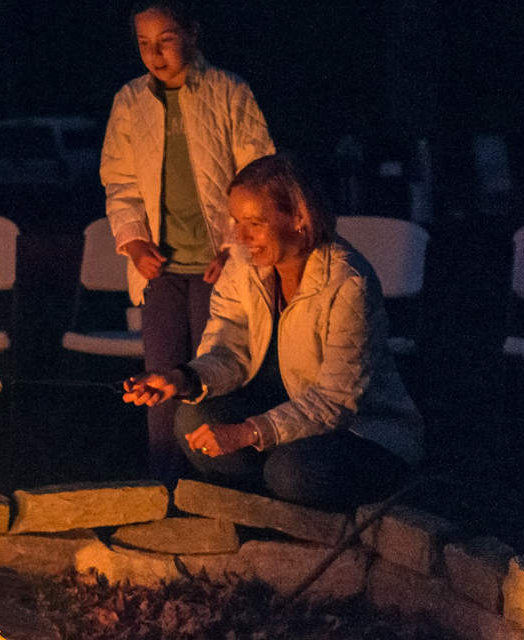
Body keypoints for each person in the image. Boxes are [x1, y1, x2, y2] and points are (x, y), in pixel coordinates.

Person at [122, 155, 422, 511]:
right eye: (235, 221)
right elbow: (228, 351)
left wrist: (248, 433)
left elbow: (336, 400)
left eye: (255, 222)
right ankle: (264, 508)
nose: (240, 236)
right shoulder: (243, 268)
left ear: (299, 217)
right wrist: (182, 378)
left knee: (292, 472)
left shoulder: (346, 281)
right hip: (279, 418)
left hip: (360, 430)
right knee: (192, 419)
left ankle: (284, 499)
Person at [100, 0, 275, 482]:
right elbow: (120, 182)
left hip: (219, 266)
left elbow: (257, 172)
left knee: (212, 373)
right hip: (161, 268)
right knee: (158, 377)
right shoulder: (131, 102)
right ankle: (164, 484)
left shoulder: (228, 92)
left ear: (192, 35)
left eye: (166, 40)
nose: (154, 54)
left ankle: (215, 485)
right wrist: (135, 243)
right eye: (143, 44)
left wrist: (235, 246)